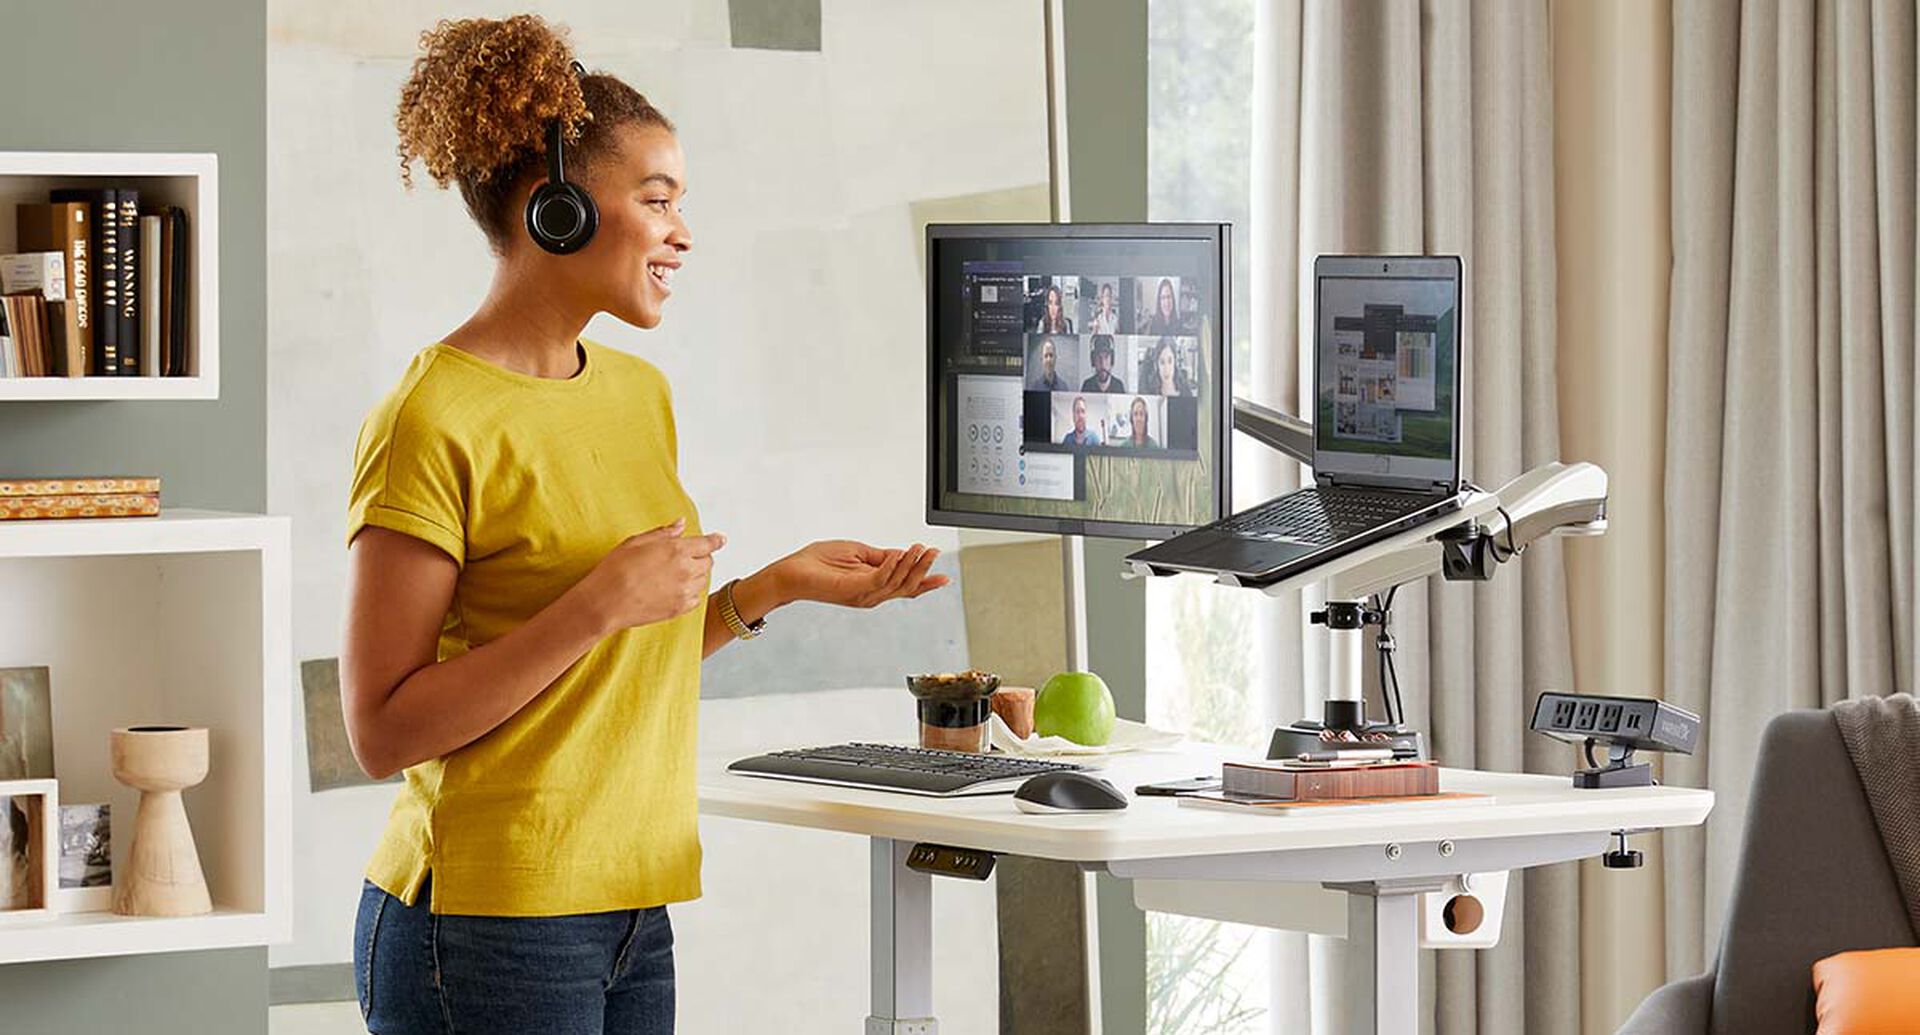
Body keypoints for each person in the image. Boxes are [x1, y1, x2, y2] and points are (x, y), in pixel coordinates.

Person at [344, 17, 947, 1035]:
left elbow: (614, 660)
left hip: (631, 907)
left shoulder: (635, 393)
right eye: (657, 200)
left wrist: (771, 589)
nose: (682, 232)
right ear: (558, 211)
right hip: (486, 922)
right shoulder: (430, 419)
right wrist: (592, 606)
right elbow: (381, 729)